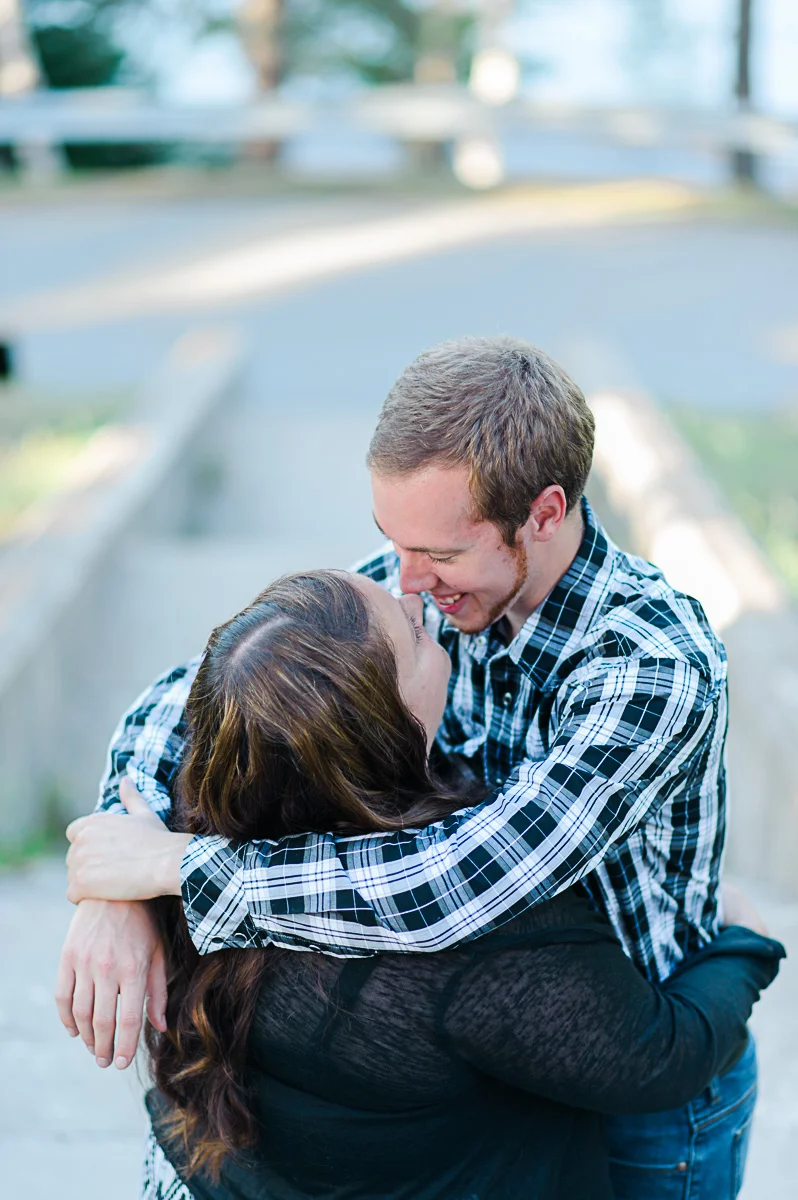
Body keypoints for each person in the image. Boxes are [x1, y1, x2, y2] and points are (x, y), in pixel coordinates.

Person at [60, 336, 760, 1197]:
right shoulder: (417, 591)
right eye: (393, 540)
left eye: (442, 553)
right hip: (492, 1064)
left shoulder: (651, 664)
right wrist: (115, 885)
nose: (407, 581)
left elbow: (464, 882)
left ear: (545, 513)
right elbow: (187, 700)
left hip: (646, 1070)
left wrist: (181, 871)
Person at [72, 570, 784, 1200]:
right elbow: (660, 1058)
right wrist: (744, 943)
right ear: (394, 725)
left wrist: (119, 887)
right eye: (414, 633)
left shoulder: (182, 816)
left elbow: (215, 676)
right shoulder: (483, 938)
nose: (416, 598)